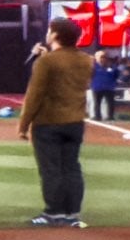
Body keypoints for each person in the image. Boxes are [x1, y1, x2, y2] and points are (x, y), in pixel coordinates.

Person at [18, 15, 94, 227]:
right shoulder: (86, 60)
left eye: (50, 31)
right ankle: (72, 214)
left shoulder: (47, 61)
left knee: (51, 169)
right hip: (75, 122)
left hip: (49, 122)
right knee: (72, 167)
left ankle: (54, 212)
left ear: (56, 35)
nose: (47, 34)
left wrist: (23, 125)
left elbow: (35, 95)